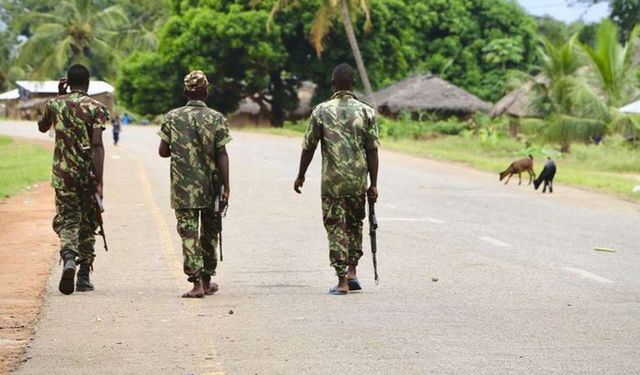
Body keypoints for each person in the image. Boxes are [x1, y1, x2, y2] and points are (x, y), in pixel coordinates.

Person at [294, 63, 379, 295]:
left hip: (332, 183)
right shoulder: (366, 112)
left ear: (333, 83)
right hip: (356, 182)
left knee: (336, 227)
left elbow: (309, 147)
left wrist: (301, 175)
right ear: (353, 84)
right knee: (354, 225)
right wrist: (374, 184)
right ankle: (352, 272)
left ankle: (341, 281)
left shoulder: (321, 111)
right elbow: (372, 150)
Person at [158, 70, 231, 298]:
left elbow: (162, 152)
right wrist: (227, 186)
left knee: (189, 233)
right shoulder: (217, 118)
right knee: (210, 233)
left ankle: (196, 283)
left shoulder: (172, 117)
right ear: (206, 91)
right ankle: (208, 280)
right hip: (211, 186)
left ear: (185, 91)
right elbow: (222, 154)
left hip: (183, 188)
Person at [37, 64, 109, 295]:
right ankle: (84, 276)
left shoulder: (55, 104)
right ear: (88, 83)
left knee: (68, 220)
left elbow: (42, 127)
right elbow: (97, 145)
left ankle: (69, 257)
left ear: (67, 81)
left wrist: (59, 96)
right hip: (87, 176)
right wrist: (99, 180)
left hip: (63, 176)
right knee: (89, 222)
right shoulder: (96, 108)